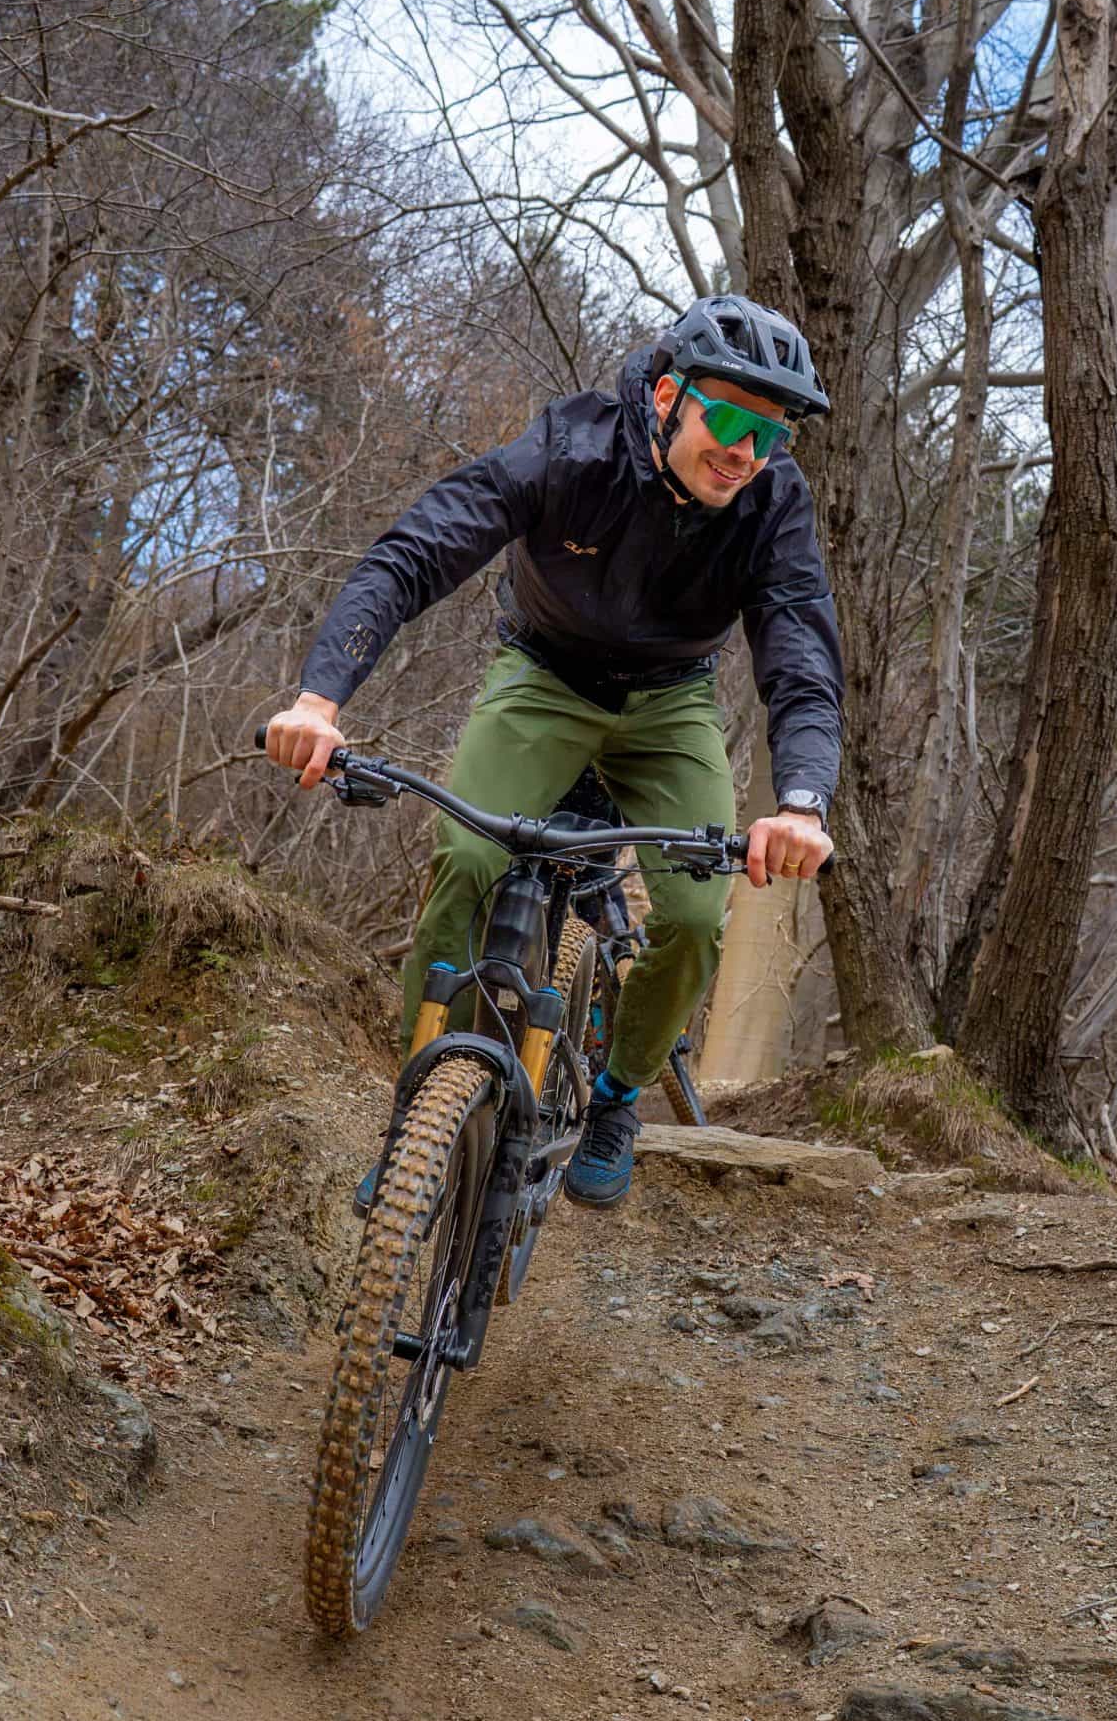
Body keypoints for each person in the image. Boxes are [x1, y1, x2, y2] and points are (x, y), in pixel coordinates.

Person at [264, 293, 844, 1205]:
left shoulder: (772, 504)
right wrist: (318, 700)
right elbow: (414, 552)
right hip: (543, 680)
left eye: (766, 437)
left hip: (668, 704)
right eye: (727, 420)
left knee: (694, 918)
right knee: (465, 859)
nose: (742, 453)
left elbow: (801, 655)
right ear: (665, 396)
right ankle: (418, 1113)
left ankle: (615, 1093)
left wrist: (803, 801)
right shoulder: (570, 449)